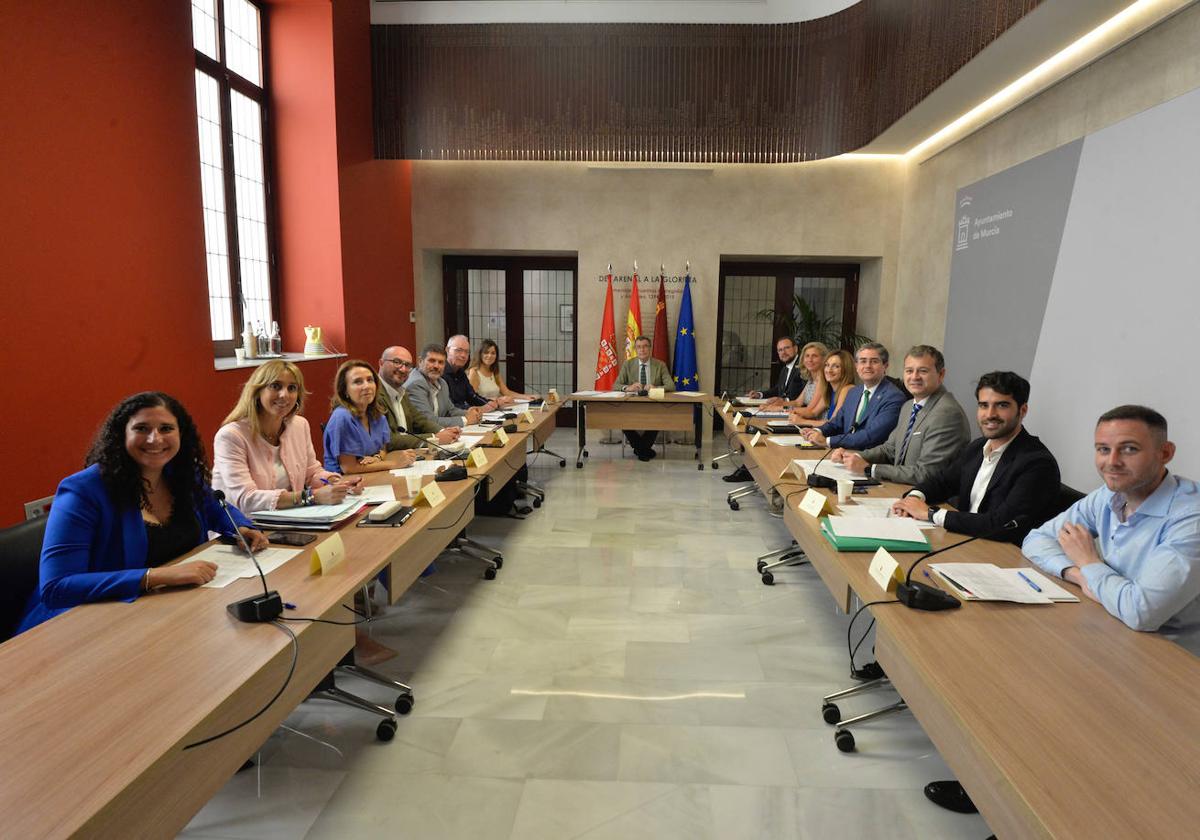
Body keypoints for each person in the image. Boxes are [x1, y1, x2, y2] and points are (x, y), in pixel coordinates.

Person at [17, 392, 268, 634]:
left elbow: (215, 508)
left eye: (166, 429)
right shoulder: (84, 491)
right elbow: (56, 587)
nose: (155, 439)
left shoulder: (179, 474)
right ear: (121, 435)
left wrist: (242, 527)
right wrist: (154, 576)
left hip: (169, 610)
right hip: (85, 623)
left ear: (182, 434)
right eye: (142, 429)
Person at [1024, 405, 1200, 647]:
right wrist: (1079, 575)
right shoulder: (1108, 495)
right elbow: (1036, 540)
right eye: (1103, 450)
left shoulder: (1192, 519)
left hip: (1170, 657)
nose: (1112, 462)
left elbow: (1141, 613)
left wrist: (1088, 562)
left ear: (1165, 453)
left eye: (1129, 449)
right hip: (1109, 627)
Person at [892, 371, 1061, 543]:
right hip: (964, 541)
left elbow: (1001, 524)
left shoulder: (1037, 464)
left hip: (1002, 554)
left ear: (1022, 410)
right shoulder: (978, 447)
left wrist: (930, 514)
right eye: (983, 405)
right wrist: (914, 498)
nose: (990, 414)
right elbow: (942, 482)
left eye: (1002, 405)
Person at [213, 360, 362, 512]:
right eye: (275, 386)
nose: (284, 395)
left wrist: (337, 483)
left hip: (290, 519)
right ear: (257, 391)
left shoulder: (299, 425)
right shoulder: (231, 436)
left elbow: (312, 473)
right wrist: (311, 496)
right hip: (244, 529)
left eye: (292, 388)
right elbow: (246, 499)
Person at [831, 345, 969, 485]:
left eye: (923, 371)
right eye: (909, 371)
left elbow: (926, 473)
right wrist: (853, 455)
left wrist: (870, 469)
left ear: (941, 375)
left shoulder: (947, 414)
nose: (914, 377)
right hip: (900, 489)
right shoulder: (909, 406)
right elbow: (889, 450)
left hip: (928, 499)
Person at [799, 342, 904, 450]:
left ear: (885, 366)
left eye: (874, 361)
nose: (867, 366)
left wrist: (827, 441)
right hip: (843, 454)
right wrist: (817, 431)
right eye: (863, 361)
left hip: (868, 459)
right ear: (856, 366)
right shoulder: (854, 392)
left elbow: (871, 436)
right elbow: (836, 423)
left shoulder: (894, 397)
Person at [323, 360, 416, 474]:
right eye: (358, 382)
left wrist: (377, 458)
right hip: (344, 484)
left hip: (372, 475)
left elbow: (383, 449)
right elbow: (349, 468)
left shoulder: (377, 414)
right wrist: (395, 464)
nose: (366, 386)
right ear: (345, 390)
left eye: (370, 380)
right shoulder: (342, 417)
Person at [378, 345, 462, 450]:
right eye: (397, 362)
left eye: (407, 365)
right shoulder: (374, 394)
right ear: (381, 363)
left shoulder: (401, 391)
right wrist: (434, 438)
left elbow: (420, 421)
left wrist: (443, 432)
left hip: (409, 455)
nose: (403, 369)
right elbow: (387, 440)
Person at [613, 335, 676, 461]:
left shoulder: (660, 365)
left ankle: (640, 449)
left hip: (654, 405)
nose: (642, 350)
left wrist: (655, 388)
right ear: (635, 349)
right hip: (631, 406)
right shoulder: (628, 364)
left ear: (650, 348)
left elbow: (671, 386)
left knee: (658, 419)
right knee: (622, 420)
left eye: (645, 346)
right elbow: (616, 385)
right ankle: (644, 450)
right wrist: (628, 388)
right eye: (639, 347)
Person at [405, 344, 486, 428]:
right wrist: (466, 420)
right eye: (432, 361)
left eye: (441, 362)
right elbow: (428, 421)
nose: (436, 366)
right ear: (420, 361)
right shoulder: (416, 384)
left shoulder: (442, 382)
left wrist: (469, 413)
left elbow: (450, 410)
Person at [788, 349, 856, 426]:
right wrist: (792, 412)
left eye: (836, 366)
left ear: (846, 370)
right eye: (827, 365)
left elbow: (834, 424)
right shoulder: (830, 389)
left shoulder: (847, 389)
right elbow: (813, 413)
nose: (829, 370)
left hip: (835, 436)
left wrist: (802, 421)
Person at [445, 334, 508, 410]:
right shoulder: (440, 373)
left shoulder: (461, 373)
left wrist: (490, 403)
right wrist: (478, 409)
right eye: (458, 350)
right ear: (447, 350)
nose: (463, 355)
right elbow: (449, 407)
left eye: (467, 352)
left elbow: (472, 396)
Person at [468, 338, 538, 401]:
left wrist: (526, 397)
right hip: (483, 411)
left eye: (493, 353)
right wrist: (498, 399)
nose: (490, 356)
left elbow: (506, 392)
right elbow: (472, 398)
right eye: (486, 352)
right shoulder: (474, 372)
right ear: (480, 354)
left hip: (496, 409)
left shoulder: (494, 372)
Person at [776, 341, 830, 415]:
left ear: (824, 359)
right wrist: (779, 404)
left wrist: (780, 408)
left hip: (816, 424)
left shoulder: (823, 379)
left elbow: (809, 409)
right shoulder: (811, 379)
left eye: (814, 356)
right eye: (807, 356)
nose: (810, 360)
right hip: (806, 420)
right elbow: (797, 402)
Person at [747, 336, 803, 403]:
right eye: (780, 350)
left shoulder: (804, 366)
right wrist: (759, 395)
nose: (783, 352)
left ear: (795, 349)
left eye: (787, 348)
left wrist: (784, 401)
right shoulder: (785, 369)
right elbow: (777, 390)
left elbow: (804, 396)